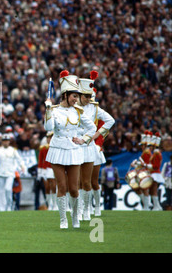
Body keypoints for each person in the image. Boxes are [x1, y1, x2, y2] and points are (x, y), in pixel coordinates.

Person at [44, 70, 97, 229]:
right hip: (57, 149)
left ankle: (75, 217)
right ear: (66, 95)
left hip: (74, 151)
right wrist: (47, 111)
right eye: (74, 96)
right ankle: (62, 219)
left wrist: (83, 140)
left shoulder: (79, 112)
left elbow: (93, 128)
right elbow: (48, 127)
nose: (76, 99)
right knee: (62, 186)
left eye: (77, 96)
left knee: (74, 189)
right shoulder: (54, 110)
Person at [77, 71, 115, 219]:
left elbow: (110, 120)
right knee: (77, 181)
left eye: (89, 96)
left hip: (90, 147)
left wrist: (97, 135)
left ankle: (90, 208)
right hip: (75, 146)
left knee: (90, 182)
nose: (88, 99)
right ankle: (79, 210)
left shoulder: (95, 108)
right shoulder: (72, 107)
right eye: (85, 96)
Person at [38, 132, 57, 210]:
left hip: (54, 168)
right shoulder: (43, 148)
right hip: (46, 169)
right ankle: (50, 204)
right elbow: (40, 160)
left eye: (50, 137)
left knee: (54, 186)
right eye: (48, 137)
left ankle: (55, 204)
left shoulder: (57, 147)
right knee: (47, 187)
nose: (49, 139)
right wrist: (40, 172)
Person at [149, 132, 164, 210]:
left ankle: (157, 206)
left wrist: (147, 166)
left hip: (155, 173)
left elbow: (156, 166)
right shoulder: (155, 153)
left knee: (154, 190)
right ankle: (157, 206)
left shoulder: (157, 154)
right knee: (152, 190)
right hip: (154, 173)